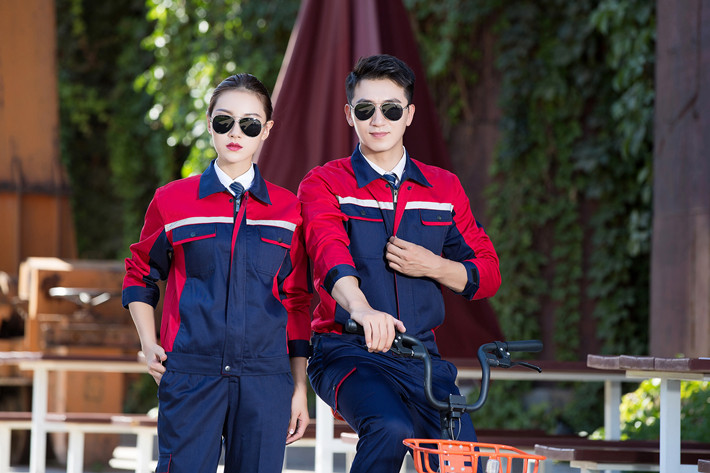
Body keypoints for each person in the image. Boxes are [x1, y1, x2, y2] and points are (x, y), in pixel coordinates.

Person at [298, 54, 501, 473]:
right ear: (349, 115)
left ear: (408, 114)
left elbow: (487, 273)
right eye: (365, 109)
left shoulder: (443, 188)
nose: (378, 120)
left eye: (391, 109)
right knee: (390, 427)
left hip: (421, 357)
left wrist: (433, 266)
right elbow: (328, 253)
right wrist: (361, 309)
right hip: (346, 351)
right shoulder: (324, 183)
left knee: (462, 459)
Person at [122, 73, 312, 473]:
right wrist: (148, 342)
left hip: (266, 380)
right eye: (225, 121)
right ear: (210, 124)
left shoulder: (288, 209)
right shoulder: (172, 200)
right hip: (190, 374)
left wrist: (298, 388)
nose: (235, 133)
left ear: (266, 130)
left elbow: (296, 300)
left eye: (250, 123)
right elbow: (140, 274)